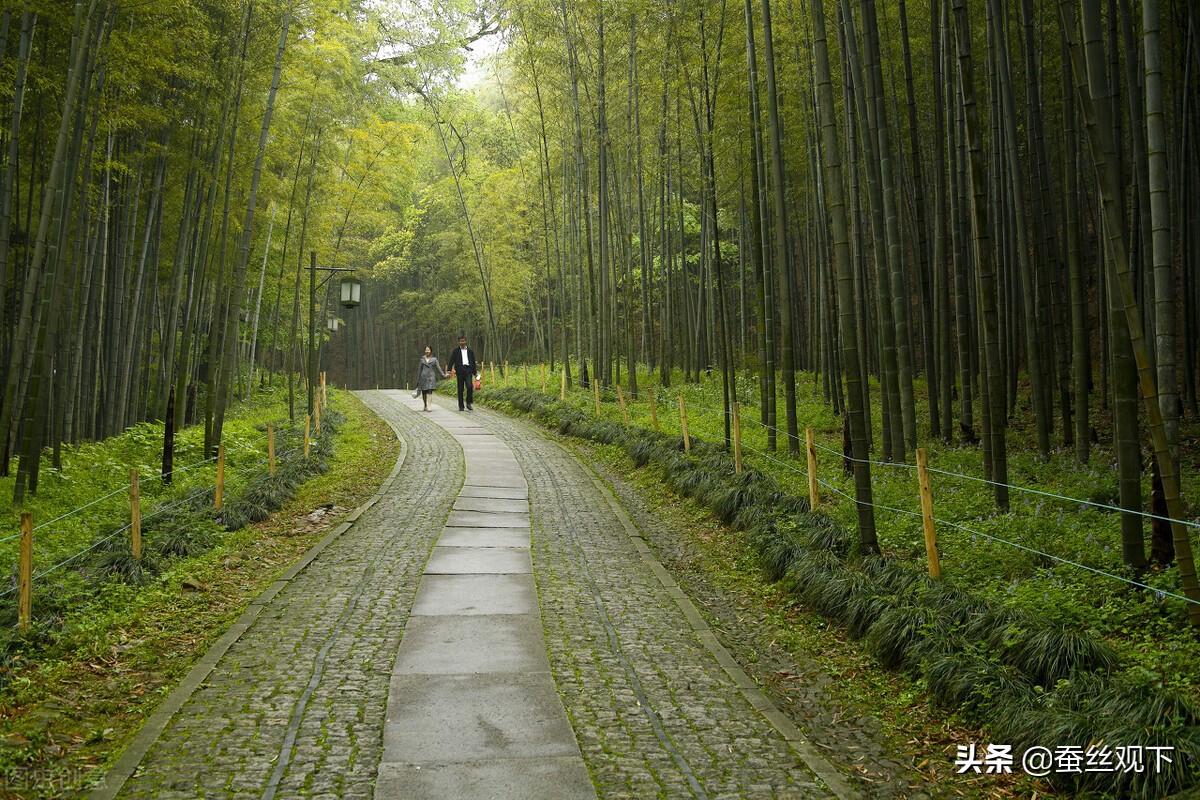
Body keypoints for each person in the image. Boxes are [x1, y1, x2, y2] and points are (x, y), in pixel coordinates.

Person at [447, 333, 480, 411]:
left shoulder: (470, 351)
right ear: (459, 342)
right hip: (460, 371)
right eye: (461, 341)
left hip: (468, 370)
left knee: (470, 386)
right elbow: (451, 360)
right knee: (460, 389)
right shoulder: (455, 351)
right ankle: (461, 406)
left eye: (463, 341)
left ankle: (468, 402)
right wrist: (449, 370)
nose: (462, 342)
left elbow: (472, 362)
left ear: (466, 341)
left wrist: (475, 373)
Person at [415, 346, 443, 412]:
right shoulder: (422, 359)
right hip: (423, 378)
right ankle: (425, 405)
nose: (427, 351)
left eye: (428, 350)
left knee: (429, 391)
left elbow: (438, 368)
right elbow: (419, 370)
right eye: (426, 350)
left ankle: (429, 405)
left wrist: (443, 375)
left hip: (431, 377)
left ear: (431, 351)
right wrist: (418, 379)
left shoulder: (434, 359)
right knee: (424, 392)